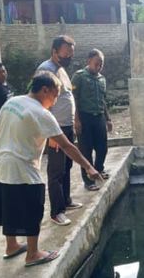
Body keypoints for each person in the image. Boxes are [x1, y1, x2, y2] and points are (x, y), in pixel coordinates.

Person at [0, 71, 103, 267]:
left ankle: (12, 245)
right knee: (33, 208)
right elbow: (67, 146)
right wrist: (89, 167)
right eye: (55, 95)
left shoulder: (12, 102)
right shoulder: (42, 113)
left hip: (0, 165)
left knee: (9, 205)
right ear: (45, 90)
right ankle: (33, 254)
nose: (55, 101)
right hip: (22, 168)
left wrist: (3, 150)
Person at [36, 35, 84, 226]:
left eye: (71, 54)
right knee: (56, 170)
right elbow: (41, 101)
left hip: (66, 126)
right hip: (55, 128)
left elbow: (68, 96)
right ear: (54, 51)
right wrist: (50, 132)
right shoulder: (45, 70)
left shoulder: (62, 70)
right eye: (66, 54)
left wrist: (74, 121)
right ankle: (57, 211)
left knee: (66, 167)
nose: (69, 57)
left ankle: (66, 200)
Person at [72, 49, 113, 191]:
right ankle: (88, 181)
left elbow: (103, 100)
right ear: (89, 61)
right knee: (86, 150)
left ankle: (99, 169)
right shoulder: (79, 76)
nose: (99, 66)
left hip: (99, 116)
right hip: (84, 117)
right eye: (96, 63)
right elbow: (74, 99)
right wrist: (76, 120)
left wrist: (108, 119)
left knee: (102, 147)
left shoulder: (102, 79)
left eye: (101, 64)